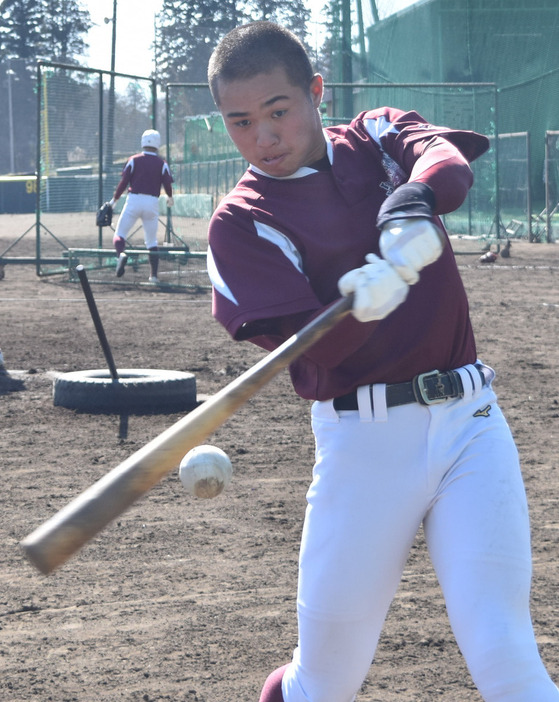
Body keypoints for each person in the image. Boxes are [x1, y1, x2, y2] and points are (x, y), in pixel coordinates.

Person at [206, 21, 559, 702]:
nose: (263, 137)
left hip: (470, 426)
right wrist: (357, 305)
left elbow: (445, 165)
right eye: (240, 122)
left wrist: (410, 206)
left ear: (315, 91)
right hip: (363, 448)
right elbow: (307, 352)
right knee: (324, 682)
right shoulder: (239, 221)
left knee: (507, 658)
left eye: (277, 111)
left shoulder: (374, 135)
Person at [109, 129, 174, 284]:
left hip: (133, 200)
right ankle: (153, 276)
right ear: (157, 143)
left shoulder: (134, 160)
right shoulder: (161, 163)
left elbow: (123, 183)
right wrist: (170, 198)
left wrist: (113, 201)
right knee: (151, 242)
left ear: (143, 142)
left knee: (120, 234)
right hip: (152, 203)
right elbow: (167, 184)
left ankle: (120, 255)